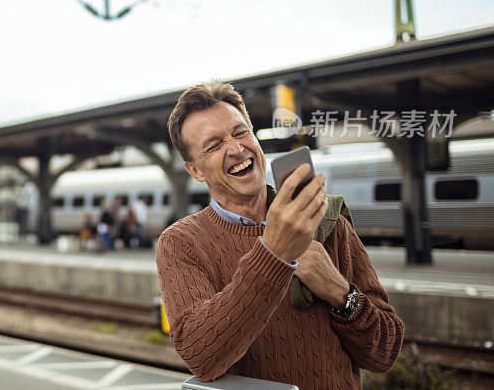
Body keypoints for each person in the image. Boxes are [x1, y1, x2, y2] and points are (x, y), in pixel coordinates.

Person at [156, 82, 403, 389]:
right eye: (214, 145)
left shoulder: (325, 220)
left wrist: (340, 292)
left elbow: (385, 354)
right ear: (196, 171)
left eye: (240, 131)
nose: (235, 148)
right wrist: (274, 253)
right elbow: (202, 357)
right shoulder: (181, 243)